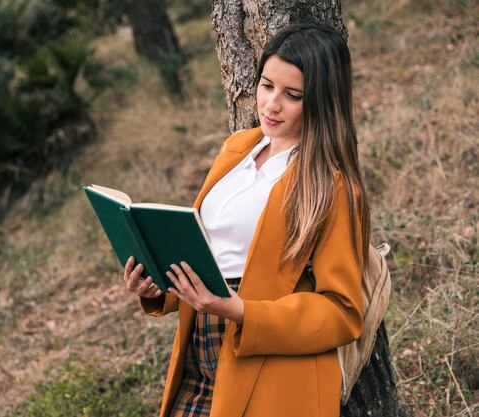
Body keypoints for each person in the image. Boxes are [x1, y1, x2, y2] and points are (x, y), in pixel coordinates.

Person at [122, 22, 371, 417]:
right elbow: (214, 254)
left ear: (322, 101)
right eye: (267, 85)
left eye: (292, 95)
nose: (272, 104)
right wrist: (157, 289)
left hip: (269, 370)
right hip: (197, 357)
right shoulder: (237, 149)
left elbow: (342, 313)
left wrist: (241, 311)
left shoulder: (330, 185)